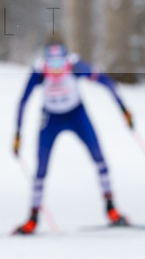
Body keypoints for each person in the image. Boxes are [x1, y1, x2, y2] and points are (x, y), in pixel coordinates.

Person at [11, 37, 134, 234]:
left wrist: (124, 110)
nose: (56, 69)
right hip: (51, 118)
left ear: (66, 60)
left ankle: (111, 209)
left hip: (76, 115)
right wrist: (18, 134)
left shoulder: (75, 66)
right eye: (52, 64)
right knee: (41, 168)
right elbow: (23, 101)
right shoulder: (39, 71)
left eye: (60, 63)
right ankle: (32, 218)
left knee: (99, 158)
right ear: (45, 61)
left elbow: (105, 82)